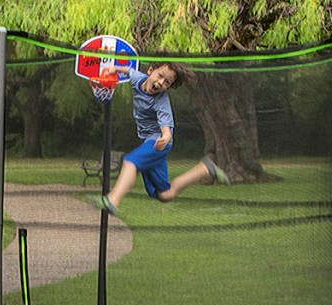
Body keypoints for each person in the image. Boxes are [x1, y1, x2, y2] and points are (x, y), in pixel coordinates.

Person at [91, 62, 229, 216]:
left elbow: (166, 127)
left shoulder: (161, 101)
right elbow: (129, 71)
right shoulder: (138, 79)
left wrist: (166, 136)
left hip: (158, 142)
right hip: (152, 142)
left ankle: (113, 200)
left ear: (168, 87)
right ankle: (204, 169)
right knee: (165, 194)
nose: (161, 83)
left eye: (166, 82)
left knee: (130, 161)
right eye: (160, 76)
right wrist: (114, 69)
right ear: (150, 71)